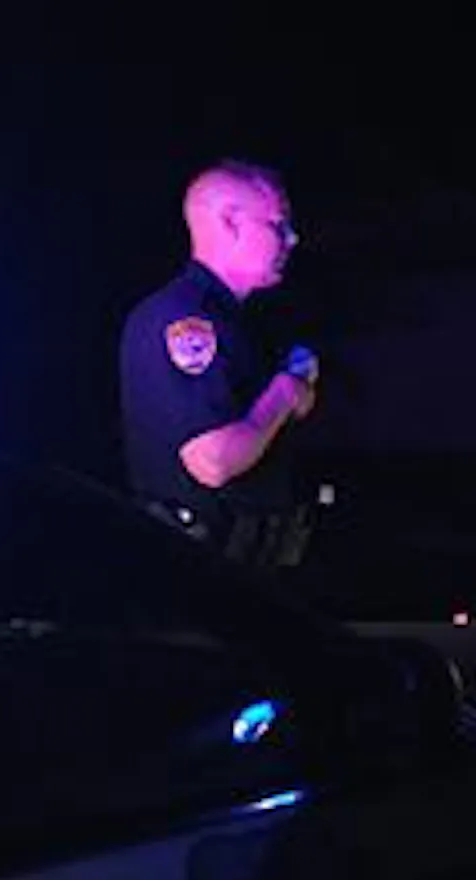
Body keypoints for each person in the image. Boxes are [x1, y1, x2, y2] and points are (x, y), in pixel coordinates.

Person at [119, 159, 318, 572]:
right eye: (278, 224)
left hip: (241, 565)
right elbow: (213, 462)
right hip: (198, 569)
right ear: (230, 222)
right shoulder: (186, 318)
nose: (292, 238)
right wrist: (285, 392)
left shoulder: (236, 322)